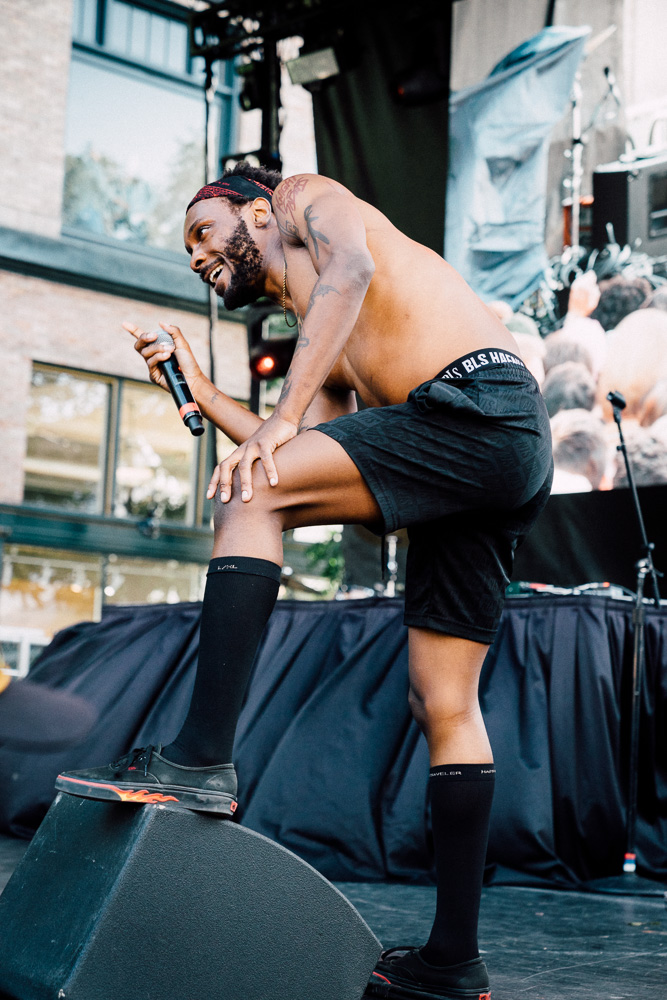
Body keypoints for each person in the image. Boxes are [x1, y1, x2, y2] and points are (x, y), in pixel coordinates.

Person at [56, 162, 553, 1000]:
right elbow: (287, 453)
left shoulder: (302, 198)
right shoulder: (320, 338)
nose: (195, 258)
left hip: (476, 405)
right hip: (494, 449)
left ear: (254, 212)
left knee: (250, 490)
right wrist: (206, 390)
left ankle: (202, 757)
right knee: (443, 702)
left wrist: (280, 423)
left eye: (203, 234)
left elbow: (347, 273)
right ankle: (453, 962)